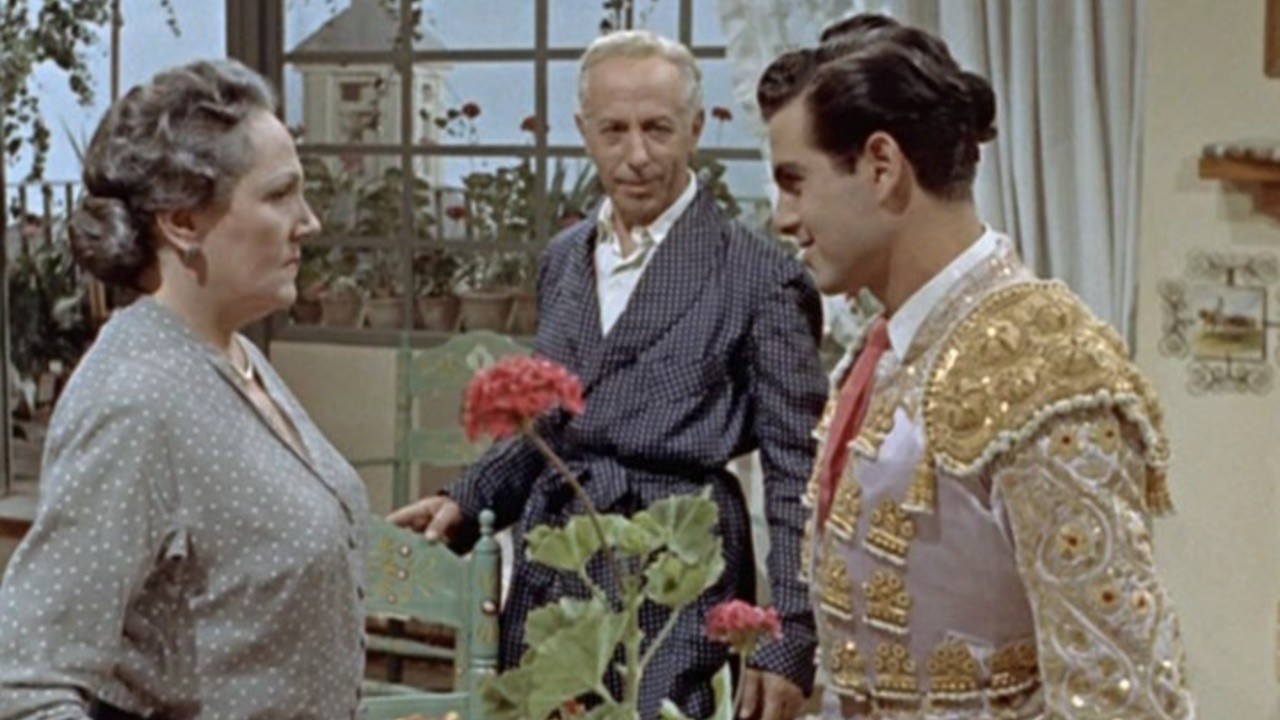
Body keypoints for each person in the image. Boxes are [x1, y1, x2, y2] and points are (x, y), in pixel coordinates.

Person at [756, 15, 1195, 719]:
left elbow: (1123, 696)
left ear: (881, 166)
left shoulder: (1043, 365)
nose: (782, 216)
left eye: (794, 181)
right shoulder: (890, 345)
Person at [390, 30, 827, 720]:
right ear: (584, 132)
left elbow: (799, 473)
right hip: (557, 562)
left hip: (679, 573)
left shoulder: (759, 277)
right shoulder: (564, 258)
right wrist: (470, 496)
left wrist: (793, 637)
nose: (637, 155)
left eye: (658, 128)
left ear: (696, 128)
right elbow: (557, 420)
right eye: (614, 130)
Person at [0, 59, 369, 720]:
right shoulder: (136, 400)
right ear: (182, 223)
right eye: (279, 195)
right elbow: (25, 683)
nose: (309, 221)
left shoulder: (231, 354)